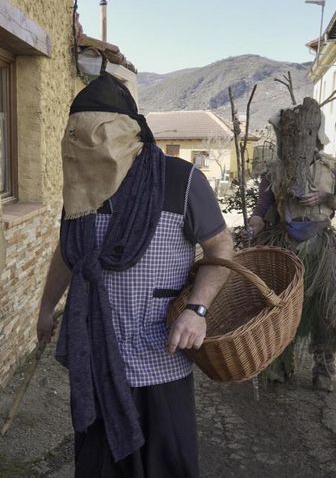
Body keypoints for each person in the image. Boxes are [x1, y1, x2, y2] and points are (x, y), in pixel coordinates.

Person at [36, 74, 234, 477]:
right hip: (97, 354)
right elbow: (67, 251)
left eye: (100, 136)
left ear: (129, 133)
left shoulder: (180, 181)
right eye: (79, 137)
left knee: (165, 466)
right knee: (99, 466)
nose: (89, 148)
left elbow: (220, 249)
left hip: (160, 353)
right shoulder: (80, 189)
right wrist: (45, 306)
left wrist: (197, 309)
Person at [247, 97, 336, 392]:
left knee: (326, 308)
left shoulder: (330, 168)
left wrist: (325, 199)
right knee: (278, 306)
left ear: (314, 136)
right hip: (283, 245)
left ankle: (323, 366)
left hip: (320, 246)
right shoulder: (274, 171)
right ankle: (278, 363)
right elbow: (262, 208)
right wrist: (254, 224)